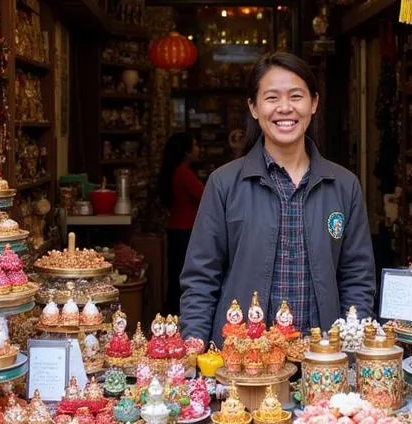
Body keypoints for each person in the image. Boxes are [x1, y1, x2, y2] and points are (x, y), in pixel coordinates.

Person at [180, 51, 375, 343]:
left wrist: (351, 348)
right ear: (254, 107)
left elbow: (357, 278)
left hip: (321, 360)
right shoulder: (225, 183)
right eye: (271, 98)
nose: (285, 108)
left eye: (296, 96)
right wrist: (193, 346)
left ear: (314, 104)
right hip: (245, 360)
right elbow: (200, 278)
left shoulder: (344, 185)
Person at [158, 132, 204, 311]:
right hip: (186, 230)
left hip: (176, 228)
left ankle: (172, 312)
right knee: (184, 276)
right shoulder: (183, 173)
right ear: (186, 151)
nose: (198, 149)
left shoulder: (175, 171)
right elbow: (205, 195)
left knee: (176, 274)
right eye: (195, 145)